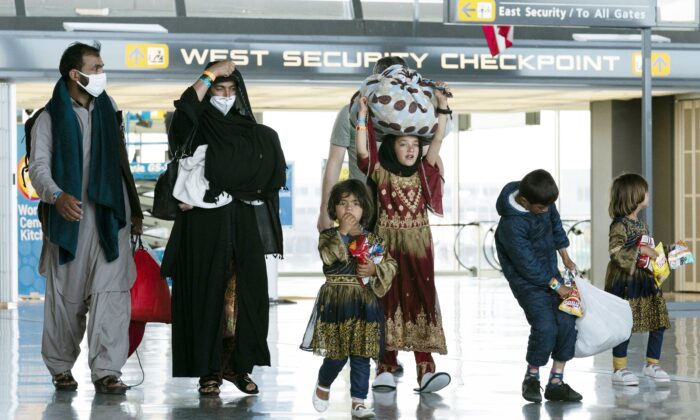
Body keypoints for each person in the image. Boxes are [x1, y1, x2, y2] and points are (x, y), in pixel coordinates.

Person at [161, 60, 286, 396]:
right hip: (204, 227)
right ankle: (210, 371)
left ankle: (238, 367)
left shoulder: (254, 133)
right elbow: (186, 108)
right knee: (207, 294)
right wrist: (210, 72)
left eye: (232, 90)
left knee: (244, 297)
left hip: (242, 225)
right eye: (219, 89)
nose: (226, 96)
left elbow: (270, 179)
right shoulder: (193, 127)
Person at [28, 41, 143, 394]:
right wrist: (57, 196)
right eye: (96, 68)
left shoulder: (110, 111)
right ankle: (61, 367)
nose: (101, 73)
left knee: (113, 294)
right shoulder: (48, 119)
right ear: (74, 74)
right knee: (67, 299)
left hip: (110, 218)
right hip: (70, 220)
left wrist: (133, 211)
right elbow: (38, 168)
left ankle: (107, 371)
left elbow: (121, 167)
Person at [355, 83, 452, 393]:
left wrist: (442, 107)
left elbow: (436, 138)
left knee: (422, 297)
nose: (411, 149)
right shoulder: (380, 171)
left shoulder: (425, 170)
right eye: (403, 144)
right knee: (386, 298)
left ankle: (425, 368)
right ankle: (385, 365)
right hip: (385, 245)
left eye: (414, 144)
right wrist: (362, 117)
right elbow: (362, 152)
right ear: (391, 147)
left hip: (419, 245)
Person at [301, 179, 397, 418]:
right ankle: (324, 383)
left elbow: (390, 265)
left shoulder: (374, 240)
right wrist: (343, 232)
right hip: (337, 302)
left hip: (365, 303)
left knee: (362, 355)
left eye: (355, 203)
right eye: (343, 203)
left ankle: (358, 401)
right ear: (334, 209)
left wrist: (375, 271)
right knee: (337, 353)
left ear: (364, 209)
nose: (349, 208)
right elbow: (328, 256)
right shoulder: (328, 236)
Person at [494, 169, 582, 403]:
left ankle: (556, 382)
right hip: (527, 284)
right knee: (545, 326)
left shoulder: (543, 202)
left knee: (567, 321)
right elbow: (528, 266)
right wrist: (558, 287)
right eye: (541, 208)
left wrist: (565, 256)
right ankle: (532, 377)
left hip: (552, 275)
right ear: (524, 201)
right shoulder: (511, 225)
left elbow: (555, 225)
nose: (545, 211)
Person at [316, 56, 408, 232]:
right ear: (374, 82)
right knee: (361, 258)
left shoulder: (413, 120)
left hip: (400, 211)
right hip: (361, 211)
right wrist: (324, 211)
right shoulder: (350, 113)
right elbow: (334, 163)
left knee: (391, 260)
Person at [605, 173, 671, 386]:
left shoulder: (642, 225)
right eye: (645, 190)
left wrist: (666, 254)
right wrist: (641, 250)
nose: (648, 194)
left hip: (646, 280)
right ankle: (619, 368)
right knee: (625, 324)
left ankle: (652, 363)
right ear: (635, 195)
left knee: (657, 319)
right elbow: (615, 251)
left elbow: (648, 251)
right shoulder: (619, 225)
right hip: (625, 282)